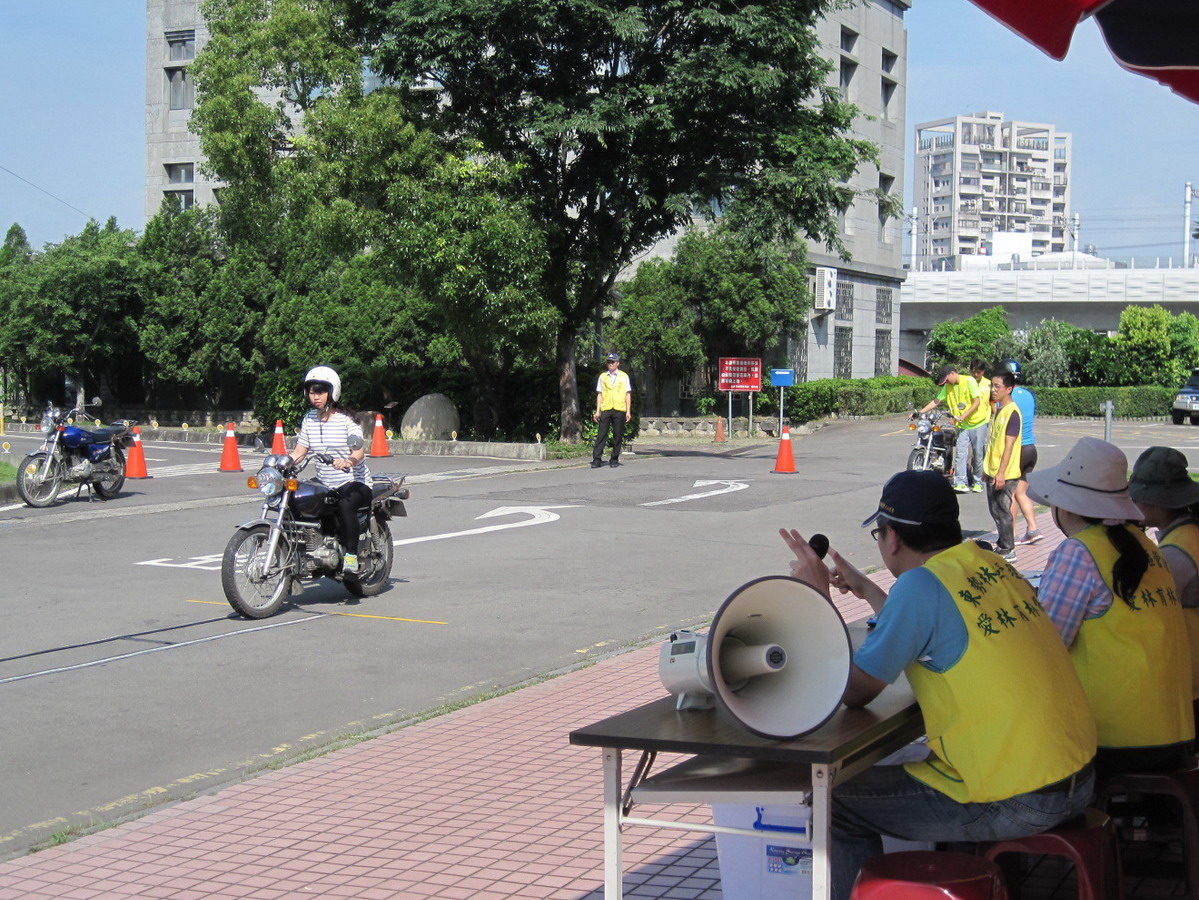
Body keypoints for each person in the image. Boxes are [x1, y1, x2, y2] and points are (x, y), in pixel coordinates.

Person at [782, 470, 1096, 900]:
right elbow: (929, 622)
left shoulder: (921, 587)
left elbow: (853, 691)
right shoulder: (988, 562)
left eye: (879, 533)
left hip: (1019, 798)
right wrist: (867, 588)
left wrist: (818, 599)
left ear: (892, 539)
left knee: (835, 802)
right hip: (1075, 777)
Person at [1029, 437, 1194, 780]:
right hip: (1175, 735)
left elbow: (1044, 649)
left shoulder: (1079, 553)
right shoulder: (1147, 546)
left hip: (1114, 743)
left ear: (1067, 508)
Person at [1128, 446, 1199, 702]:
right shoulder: (1188, 534)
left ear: (1158, 501)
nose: (1132, 503)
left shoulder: (1177, 551)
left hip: (1189, 680)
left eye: (1136, 498)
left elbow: (1146, 611)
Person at [289, 366, 371, 574]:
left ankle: (351, 555)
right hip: (324, 482)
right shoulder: (309, 418)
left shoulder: (347, 420)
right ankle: (306, 552)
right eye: (311, 392)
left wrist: (349, 461)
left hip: (354, 482)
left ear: (332, 392)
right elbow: (300, 451)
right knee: (296, 498)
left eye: (320, 391)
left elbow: (359, 450)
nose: (315, 396)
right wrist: (279, 462)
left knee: (345, 504)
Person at [916, 364, 987, 493]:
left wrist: (963, 415)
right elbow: (936, 401)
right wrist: (919, 413)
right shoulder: (948, 387)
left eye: (947, 379)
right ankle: (960, 482)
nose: (946, 382)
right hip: (962, 425)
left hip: (977, 422)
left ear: (953, 373)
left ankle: (978, 481)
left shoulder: (969, 381)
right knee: (960, 453)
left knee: (978, 453)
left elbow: (977, 402)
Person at [1001, 359, 1043, 545]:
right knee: (1022, 492)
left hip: (1015, 450)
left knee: (1009, 494)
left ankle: (1010, 535)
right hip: (1030, 449)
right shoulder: (1028, 394)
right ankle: (1033, 529)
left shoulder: (1006, 399)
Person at [984, 371, 1022, 563]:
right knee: (995, 510)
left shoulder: (1012, 412)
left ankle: (1008, 548)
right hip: (993, 470)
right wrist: (987, 469)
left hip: (1005, 473)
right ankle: (1002, 543)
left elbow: (1009, 445)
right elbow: (993, 442)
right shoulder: (999, 410)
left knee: (1002, 510)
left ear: (1009, 389)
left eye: (997, 386)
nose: (993, 390)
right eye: (992, 385)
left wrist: (1001, 472)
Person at [592, 351, 631, 469]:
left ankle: (614, 458)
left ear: (618, 363)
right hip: (606, 408)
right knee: (601, 434)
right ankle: (596, 459)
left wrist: (628, 411)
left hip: (619, 408)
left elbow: (627, 394)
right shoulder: (603, 377)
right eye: (609, 362)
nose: (610, 364)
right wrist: (598, 411)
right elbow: (600, 394)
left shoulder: (624, 376)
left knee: (617, 435)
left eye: (613, 362)